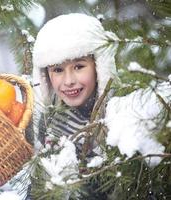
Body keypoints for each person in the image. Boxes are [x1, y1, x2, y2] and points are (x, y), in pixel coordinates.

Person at [28, 13, 119, 199]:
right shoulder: (49, 121)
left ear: (99, 67)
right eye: (58, 70)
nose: (69, 81)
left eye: (79, 66)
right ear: (46, 75)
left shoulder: (118, 118)